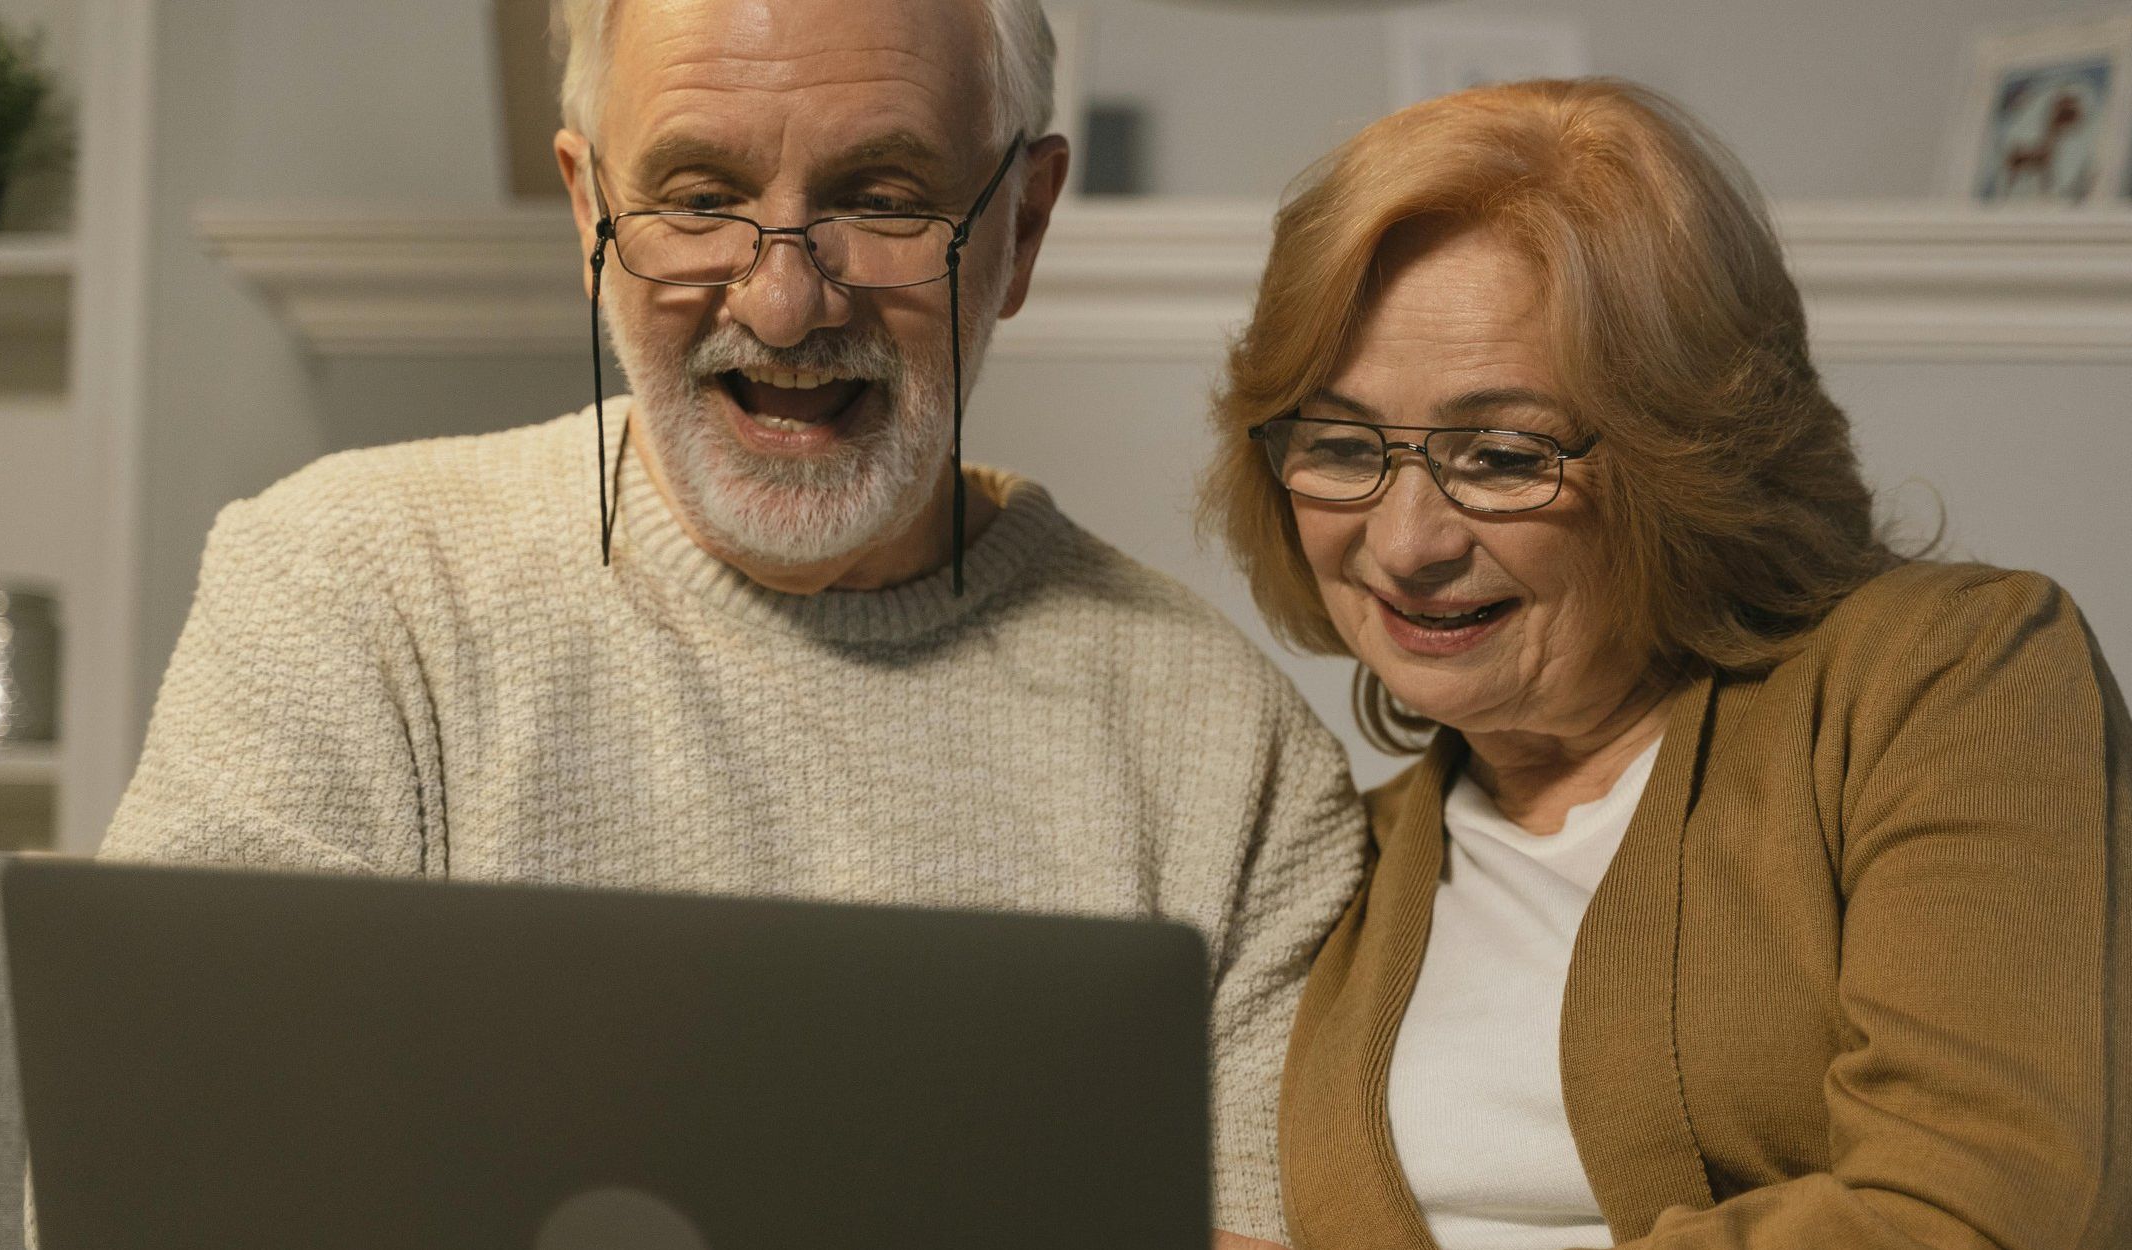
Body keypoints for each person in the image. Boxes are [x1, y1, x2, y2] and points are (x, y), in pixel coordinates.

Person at [99, 1, 1363, 1242]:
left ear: (1020, 227)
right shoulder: (348, 592)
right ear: (591, 210)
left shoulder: (1221, 745)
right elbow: (142, 1187)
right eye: (699, 198)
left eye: (881, 197)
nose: (781, 303)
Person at [1202, 78, 2132, 1249]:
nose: (1405, 543)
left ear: (1683, 454)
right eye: (1339, 444)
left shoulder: (1954, 681)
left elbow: (2009, 1215)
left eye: (1499, 452)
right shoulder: (1333, 867)